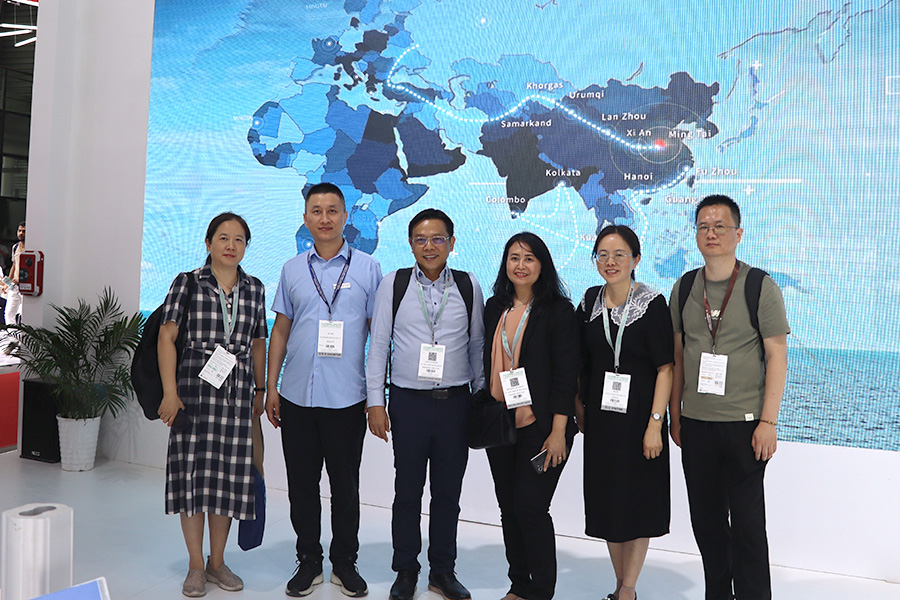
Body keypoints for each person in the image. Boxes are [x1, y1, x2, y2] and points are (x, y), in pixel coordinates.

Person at [669, 195, 789, 600]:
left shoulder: (759, 286)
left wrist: (768, 422)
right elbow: (678, 358)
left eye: (720, 226)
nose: (711, 233)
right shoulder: (685, 287)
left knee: (749, 528)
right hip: (697, 426)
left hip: (745, 427)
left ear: (738, 234)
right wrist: (675, 416)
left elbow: (776, 356)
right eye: (703, 226)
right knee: (707, 525)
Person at [266, 183, 382, 598]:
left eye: (333, 210)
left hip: (347, 398)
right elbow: (281, 330)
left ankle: (344, 563)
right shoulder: (292, 269)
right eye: (316, 211)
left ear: (345, 216)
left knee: (345, 487)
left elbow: (378, 337)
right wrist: (272, 386)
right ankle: (309, 561)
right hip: (297, 395)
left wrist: (376, 397)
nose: (325, 218)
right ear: (305, 218)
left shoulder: (368, 268)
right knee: (301, 485)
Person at [366, 208, 485, 600]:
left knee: (448, 494)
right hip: (408, 403)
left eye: (437, 239)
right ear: (411, 243)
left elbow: (477, 345)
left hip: (455, 405)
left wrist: (482, 399)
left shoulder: (468, 284)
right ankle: (405, 571)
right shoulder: (394, 283)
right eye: (421, 239)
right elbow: (378, 343)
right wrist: (375, 401)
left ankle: (443, 571)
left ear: (451, 243)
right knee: (407, 492)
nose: (429, 246)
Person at [158, 213, 268, 598]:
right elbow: (167, 337)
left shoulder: (255, 288)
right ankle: (194, 565)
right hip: (193, 391)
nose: (231, 245)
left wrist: (260, 388)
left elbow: (258, 341)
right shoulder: (188, 282)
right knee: (192, 478)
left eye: (239, 239)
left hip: (236, 395)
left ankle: (217, 562)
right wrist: (170, 393)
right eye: (223, 237)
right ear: (208, 243)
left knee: (227, 480)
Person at [575, 225, 674, 600]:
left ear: (636, 259)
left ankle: (628, 589)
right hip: (601, 423)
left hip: (640, 423)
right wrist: (579, 407)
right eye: (602, 254)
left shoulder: (652, 304)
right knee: (608, 506)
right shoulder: (589, 301)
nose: (610, 261)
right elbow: (580, 363)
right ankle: (620, 586)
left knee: (638, 505)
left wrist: (655, 425)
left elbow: (666, 368)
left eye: (619, 254)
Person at [482, 232, 578, 600]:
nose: (520, 265)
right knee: (509, 508)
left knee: (531, 507)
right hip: (500, 424)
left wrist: (558, 432)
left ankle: (542, 591)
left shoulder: (558, 311)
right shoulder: (495, 307)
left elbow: (566, 377)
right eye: (514, 258)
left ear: (542, 265)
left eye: (529, 258)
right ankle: (519, 585)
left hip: (542, 427)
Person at [1, 222, 25, 326]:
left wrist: (21, 279)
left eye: (24, 231)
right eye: (19, 231)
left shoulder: (30, 247)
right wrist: (7, 283)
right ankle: (13, 334)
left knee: (22, 314)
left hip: (25, 286)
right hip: (14, 286)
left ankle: (23, 335)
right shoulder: (15, 247)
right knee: (9, 313)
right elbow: (14, 266)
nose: (21, 233)